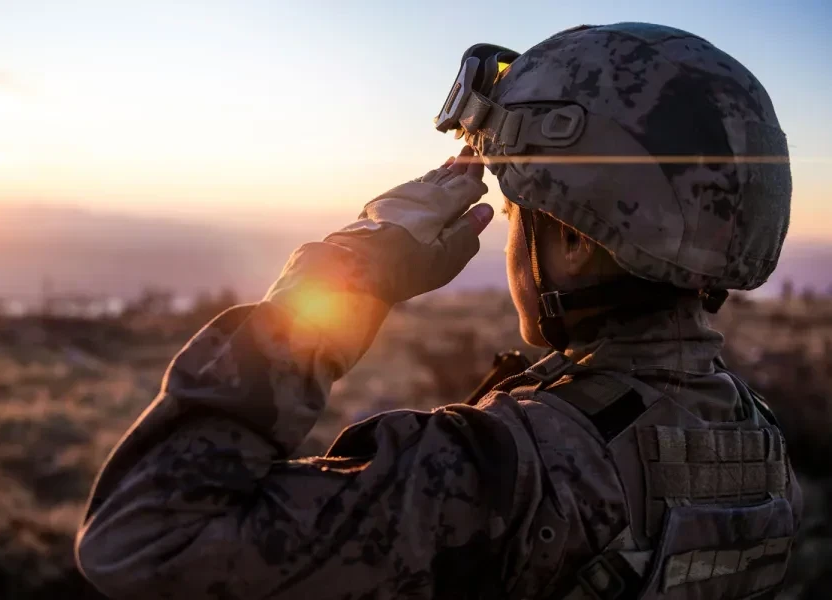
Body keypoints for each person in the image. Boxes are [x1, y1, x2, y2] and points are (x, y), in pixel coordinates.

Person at [76, 22, 802, 599]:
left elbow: (143, 540)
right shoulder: (754, 443)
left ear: (576, 242)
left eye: (519, 213)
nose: (510, 237)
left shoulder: (499, 472)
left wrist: (346, 270)